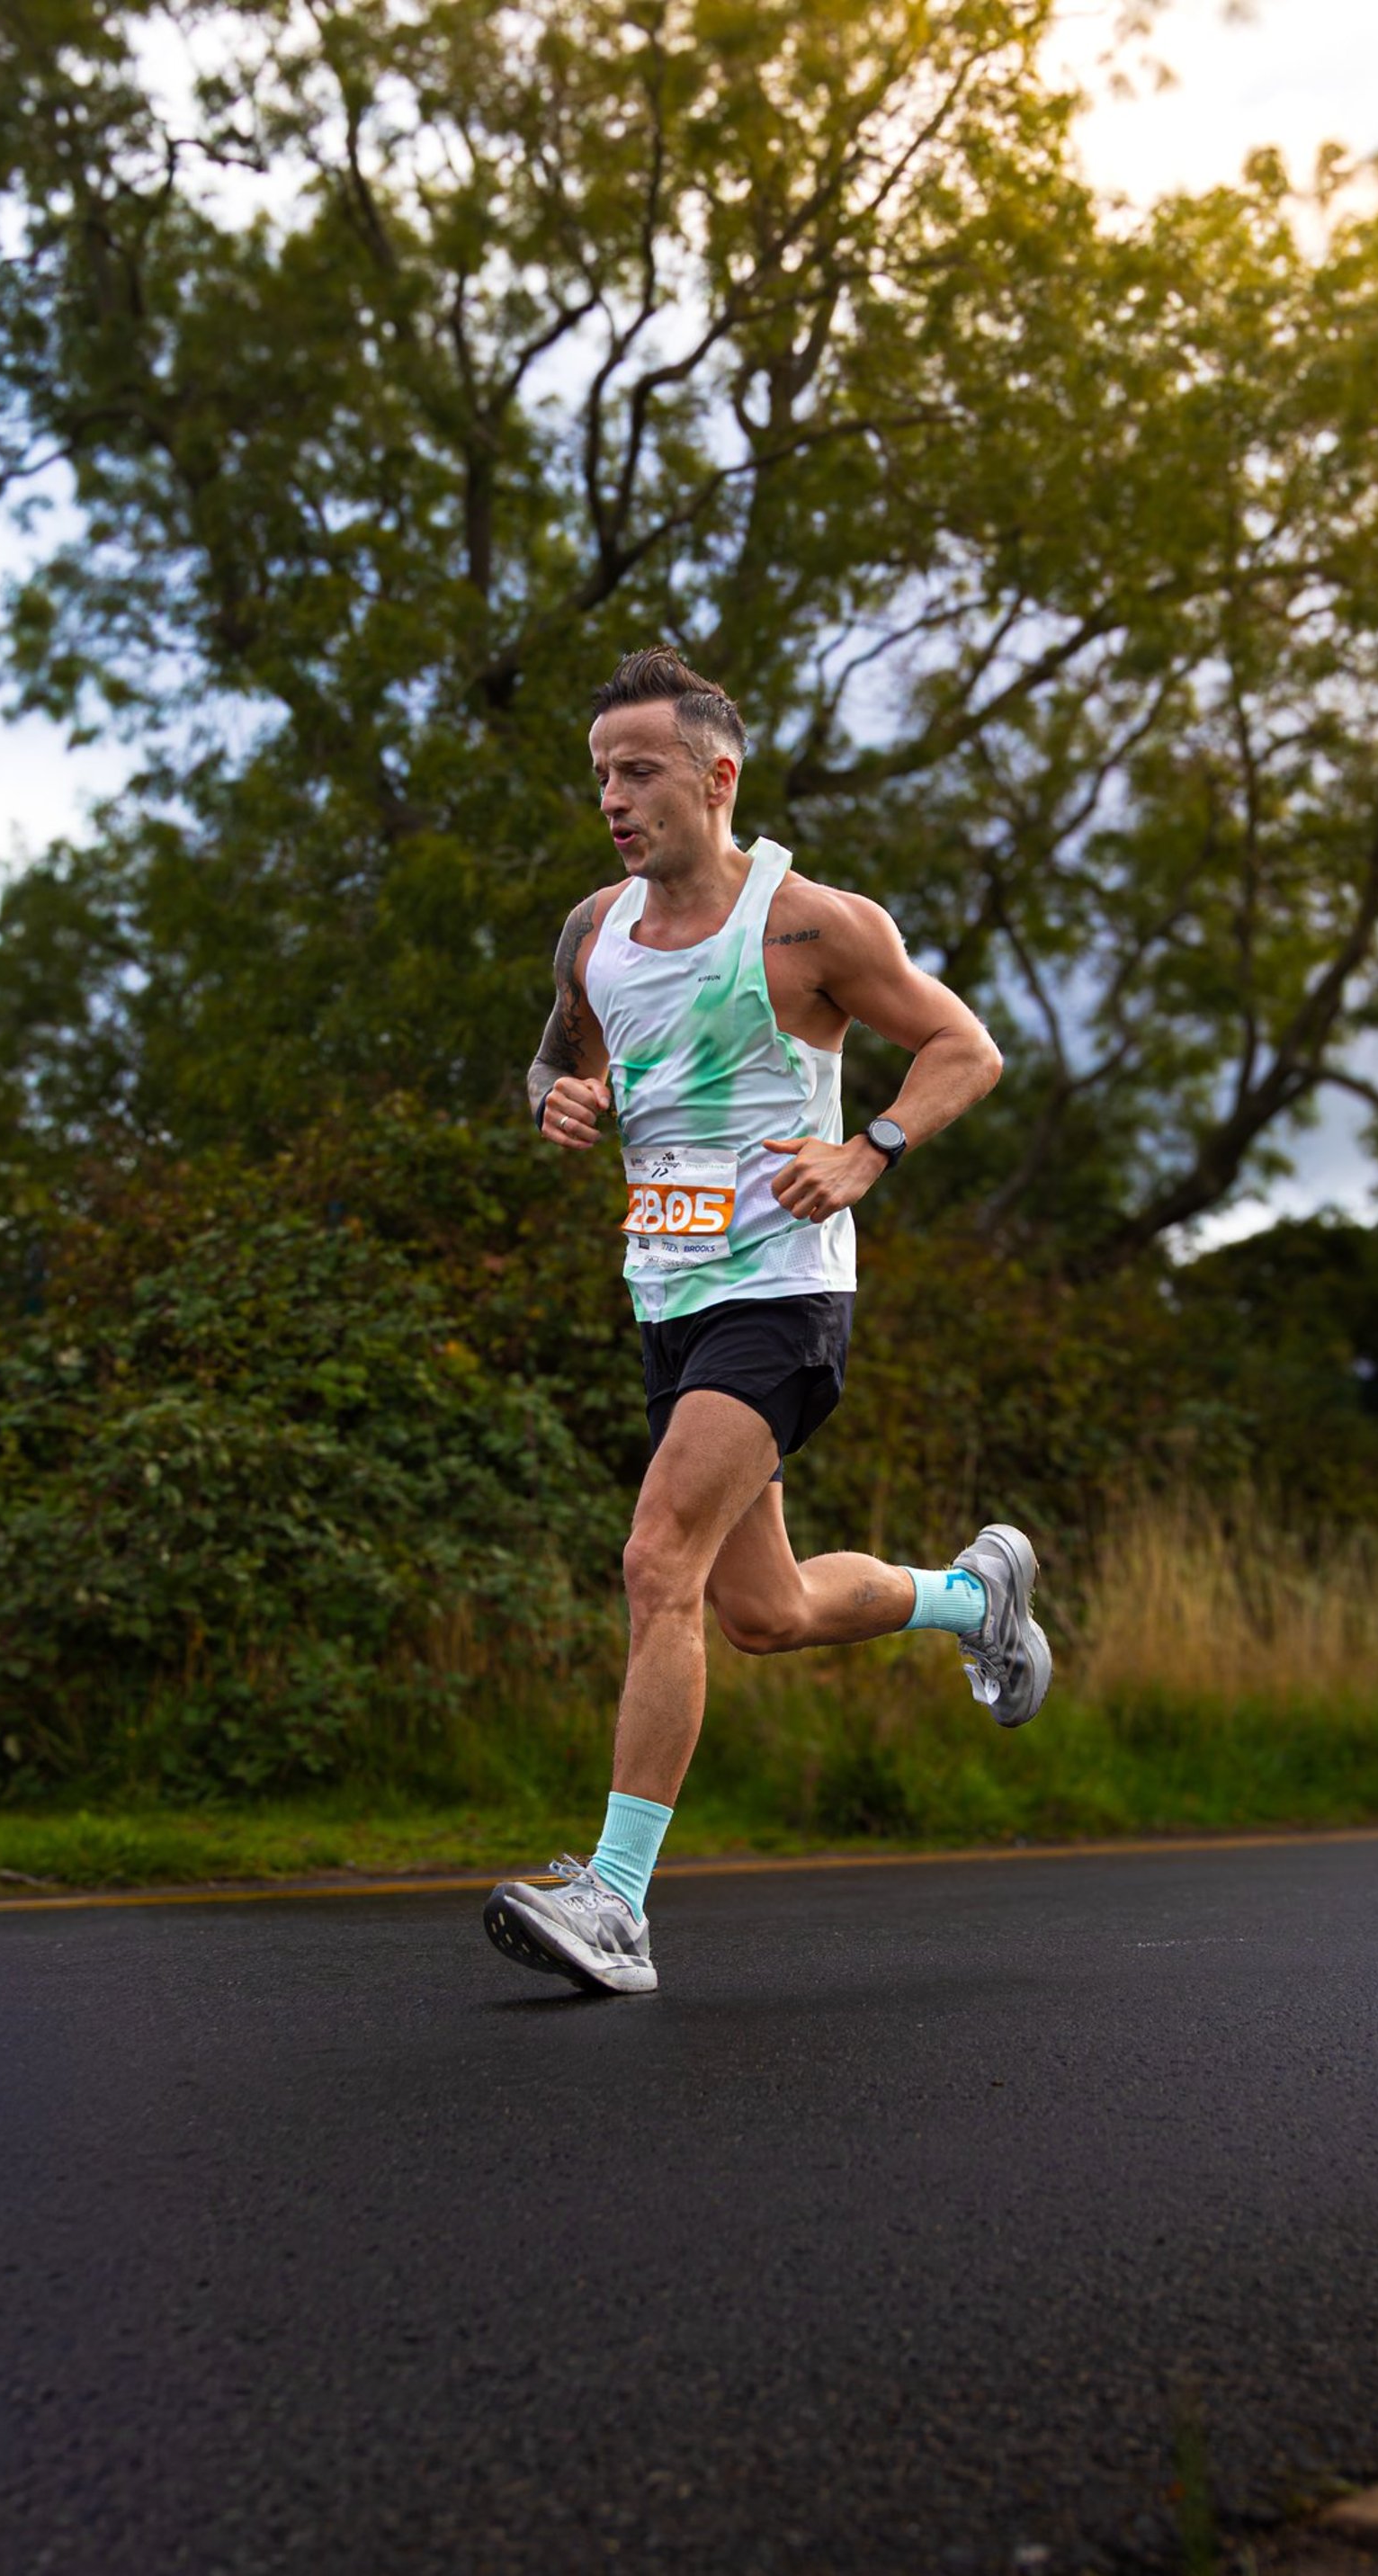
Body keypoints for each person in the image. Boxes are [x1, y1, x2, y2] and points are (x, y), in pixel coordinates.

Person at [483, 647, 1051, 1996]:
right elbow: (560, 1051)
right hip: (667, 1297)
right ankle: (974, 1598)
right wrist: (552, 1099)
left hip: (784, 1292)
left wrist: (871, 1150)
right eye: (601, 774)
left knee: (655, 1553)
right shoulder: (593, 929)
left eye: (640, 771)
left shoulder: (811, 925)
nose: (614, 799)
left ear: (716, 776)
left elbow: (965, 1047)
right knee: (763, 1612)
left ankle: (614, 1901)